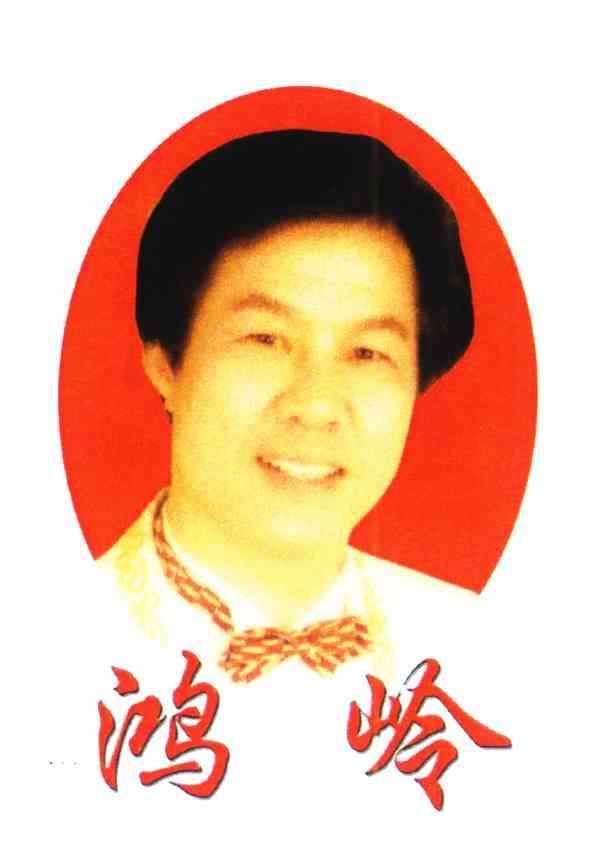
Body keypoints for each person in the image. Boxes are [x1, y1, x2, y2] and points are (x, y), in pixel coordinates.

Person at [97, 130, 476, 689]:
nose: (316, 404)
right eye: (265, 339)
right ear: (167, 366)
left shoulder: (479, 647)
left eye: (367, 353)